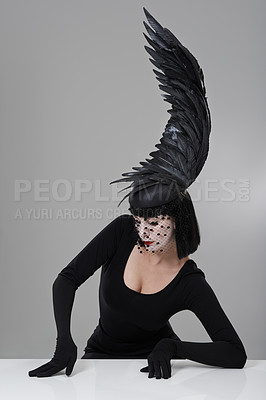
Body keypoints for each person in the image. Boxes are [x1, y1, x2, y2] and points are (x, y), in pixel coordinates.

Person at [28, 8, 247, 379]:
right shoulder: (120, 234)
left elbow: (235, 354)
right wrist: (64, 339)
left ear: (178, 220)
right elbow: (66, 279)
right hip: (99, 359)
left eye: (154, 220)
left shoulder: (189, 281)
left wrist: (174, 347)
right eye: (139, 219)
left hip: (156, 368)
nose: (143, 229)